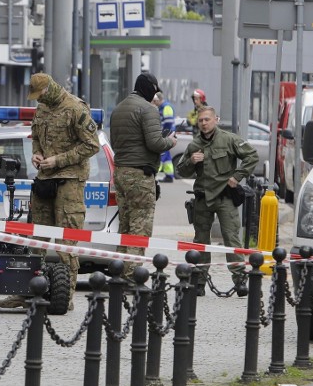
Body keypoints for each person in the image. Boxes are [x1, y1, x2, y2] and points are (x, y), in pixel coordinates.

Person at [0, 73, 100, 308]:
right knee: (36, 240)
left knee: (67, 241)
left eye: (39, 95)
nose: (37, 100)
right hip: (44, 179)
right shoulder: (41, 109)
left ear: (49, 88)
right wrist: (37, 153)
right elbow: (35, 137)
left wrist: (59, 160)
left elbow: (92, 145)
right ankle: (26, 291)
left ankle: (66, 297)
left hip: (69, 182)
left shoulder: (75, 107)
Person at [176, 106, 258, 294]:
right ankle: (199, 282)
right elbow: (181, 171)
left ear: (216, 120)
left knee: (231, 238)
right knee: (201, 241)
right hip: (203, 199)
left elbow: (251, 155)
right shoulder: (194, 145)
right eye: (201, 120)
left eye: (207, 119)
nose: (204, 123)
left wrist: (237, 177)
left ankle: (239, 281)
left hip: (224, 198)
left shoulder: (228, 139)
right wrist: (191, 161)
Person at [110, 73, 178, 266]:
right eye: (154, 91)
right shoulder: (148, 109)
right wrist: (170, 141)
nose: (154, 96)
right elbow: (155, 143)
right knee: (139, 228)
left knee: (124, 227)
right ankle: (132, 277)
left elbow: (115, 143)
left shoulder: (118, 108)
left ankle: (119, 273)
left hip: (121, 172)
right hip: (140, 174)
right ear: (148, 88)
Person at [153, 90, 176, 182]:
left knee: (161, 154)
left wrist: (164, 134)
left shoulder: (166, 107)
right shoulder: (163, 107)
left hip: (167, 134)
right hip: (168, 134)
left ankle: (154, 173)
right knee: (167, 156)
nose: (154, 103)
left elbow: (168, 122)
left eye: (155, 101)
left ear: (159, 100)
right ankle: (169, 176)